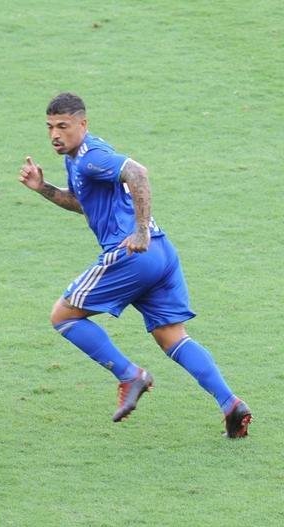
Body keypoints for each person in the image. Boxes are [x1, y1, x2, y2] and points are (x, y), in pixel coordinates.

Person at [19, 92, 251, 437]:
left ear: (82, 124)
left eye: (63, 126)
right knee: (171, 337)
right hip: (161, 254)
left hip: (131, 253)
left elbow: (137, 173)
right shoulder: (78, 158)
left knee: (63, 316)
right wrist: (43, 188)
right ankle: (230, 403)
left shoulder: (90, 158)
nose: (55, 134)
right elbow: (86, 204)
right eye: (50, 126)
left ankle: (130, 375)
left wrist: (140, 231)